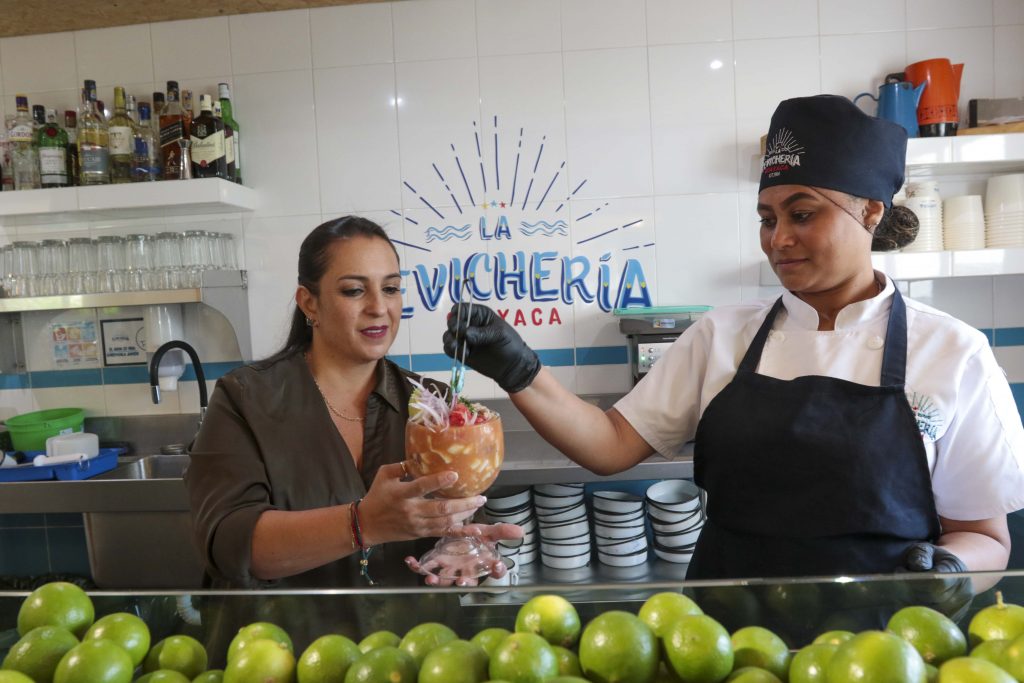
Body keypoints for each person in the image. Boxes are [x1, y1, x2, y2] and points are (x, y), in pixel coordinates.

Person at [442, 95, 1024, 581]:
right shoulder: (722, 334)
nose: (778, 240)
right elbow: (609, 444)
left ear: (871, 212)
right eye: (767, 219)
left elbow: (983, 537)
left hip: (881, 640)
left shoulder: (952, 352)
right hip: (725, 632)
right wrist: (517, 367)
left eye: (802, 214)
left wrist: (945, 567)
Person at [185, 216, 520, 591]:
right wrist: (363, 524)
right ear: (309, 302)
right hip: (280, 640)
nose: (379, 307)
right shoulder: (245, 398)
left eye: (391, 288)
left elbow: (456, 510)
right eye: (354, 291)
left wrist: (460, 545)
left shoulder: (435, 407)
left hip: (406, 640)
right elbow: (229, 546)